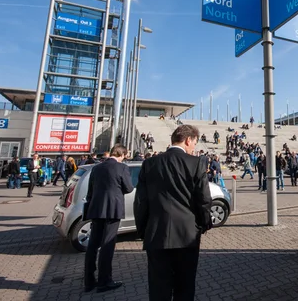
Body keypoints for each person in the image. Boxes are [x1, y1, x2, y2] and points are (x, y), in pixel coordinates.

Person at [134, 124, 212, 301]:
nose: (194, 147)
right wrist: (204, 223)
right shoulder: (196, 163)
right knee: (184, 287)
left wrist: (143, 230)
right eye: (194, 143)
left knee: (158, 288)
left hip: (156, 234)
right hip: (187, 234)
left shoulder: (149, 163)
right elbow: (204, 200)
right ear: (187, 140)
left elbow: (141, 202)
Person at [84, 144, 134, 293]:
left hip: (96, 208)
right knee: (107, 244)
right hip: (113, 209)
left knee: (93, 244)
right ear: (123, 154)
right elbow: (129, 188)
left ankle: (89, 281)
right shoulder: (122, 168)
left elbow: (90, 190)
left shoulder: (97, 168)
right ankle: (104, 280)